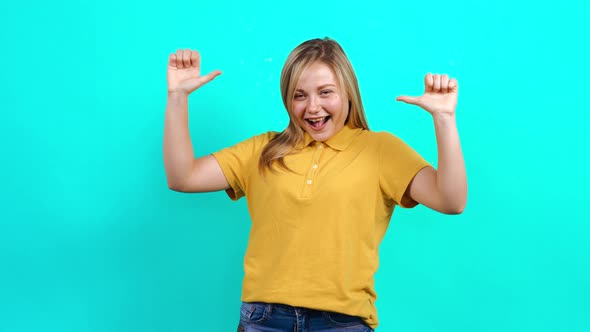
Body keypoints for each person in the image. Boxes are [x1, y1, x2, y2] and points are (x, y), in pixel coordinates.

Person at [163, 37, 467, 332]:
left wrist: (444, 118)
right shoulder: (263, 150)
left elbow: (451, 200)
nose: (312, 107)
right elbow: (183, 177)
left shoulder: (381, 150)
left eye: (325, 92)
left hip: (343, 322)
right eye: (299, 95)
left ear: (348, 92)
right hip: (264, 319)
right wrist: (177, 97)